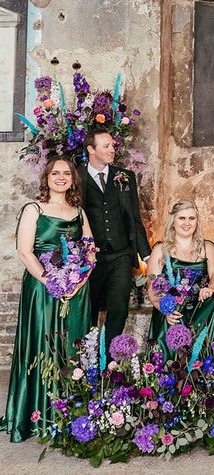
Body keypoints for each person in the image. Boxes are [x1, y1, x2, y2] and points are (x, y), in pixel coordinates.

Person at [0, 156, 93, 442]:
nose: (61, 177)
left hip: (75, 290)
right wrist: (53, 281)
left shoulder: (78, 211)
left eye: (67, 173)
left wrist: (79, 281)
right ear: (47, 177)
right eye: (56, 172)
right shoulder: (34, 209)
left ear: (73, 179)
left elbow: (90, 250)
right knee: (42, 345)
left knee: (72, 346)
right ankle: (37, 414)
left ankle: (69, 414)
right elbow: (25, 252)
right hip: (43, 289)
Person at [79, 127, 151, 349]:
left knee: (119, 307)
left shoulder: (125, 177)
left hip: (121, 254)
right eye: (106, 146)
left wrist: (148, 256)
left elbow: (134, 218)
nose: (112, 149)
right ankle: (87, 359)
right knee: (87, 309)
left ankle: (111, 360)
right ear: (91, 149)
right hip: (90, 259)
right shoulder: (76, 177)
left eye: (112, 145)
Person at [146, 200, 214, 360]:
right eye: (182, 218)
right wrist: (164, 310)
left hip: (199, 304)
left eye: (192, 218)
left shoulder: (207, 247)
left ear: (197, 222)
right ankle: (171, 368)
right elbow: (152, 287)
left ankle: (211, 362)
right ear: (173, 222)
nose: (187, 223)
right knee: (174, 312)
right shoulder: (160, 249)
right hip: (172, 308)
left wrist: (210, 288)